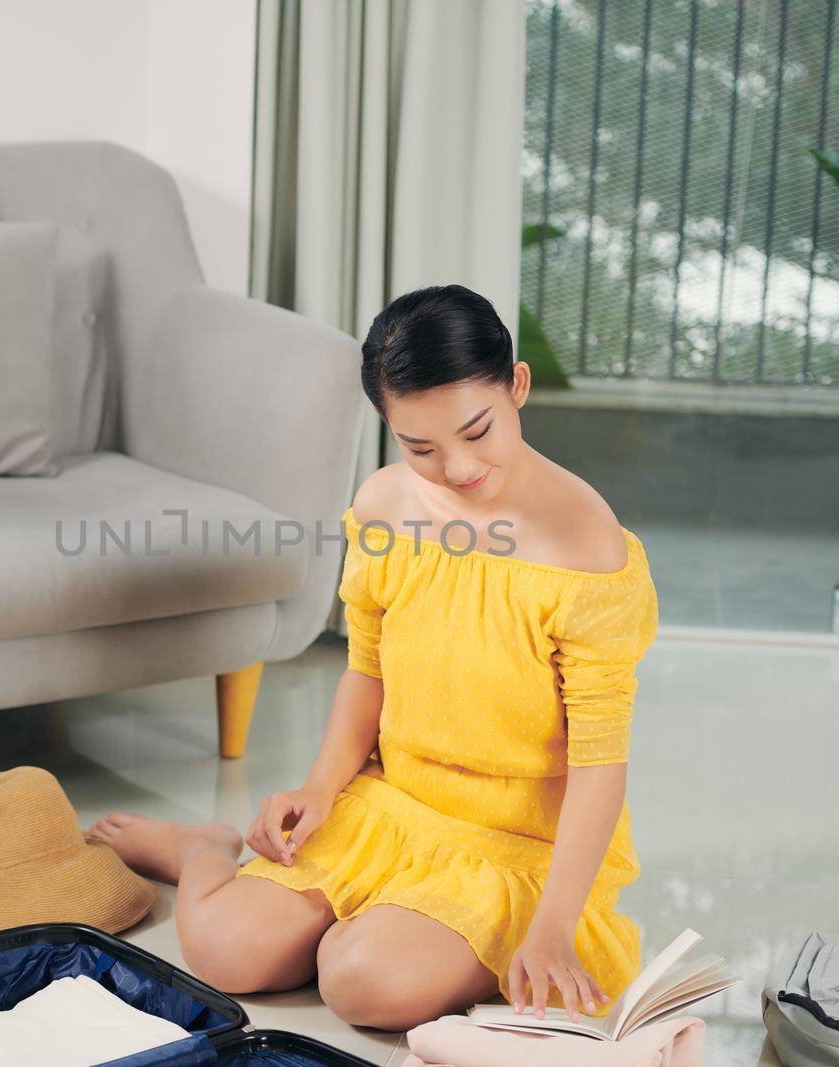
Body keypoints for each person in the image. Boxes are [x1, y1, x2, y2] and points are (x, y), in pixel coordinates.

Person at [86, 284, 659, 1033]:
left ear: (516, 387)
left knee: (361, 983)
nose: (456, 467)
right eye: (420, 446)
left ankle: (381, 926)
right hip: (392, 802)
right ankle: (205, 849)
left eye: (477, 430)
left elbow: (598, 761)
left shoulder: (586, 541)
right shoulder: (387, 505)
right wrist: (321, 791)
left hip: (516, 844)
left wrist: (552, 923)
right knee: (229, 950)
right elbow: (368, 672)